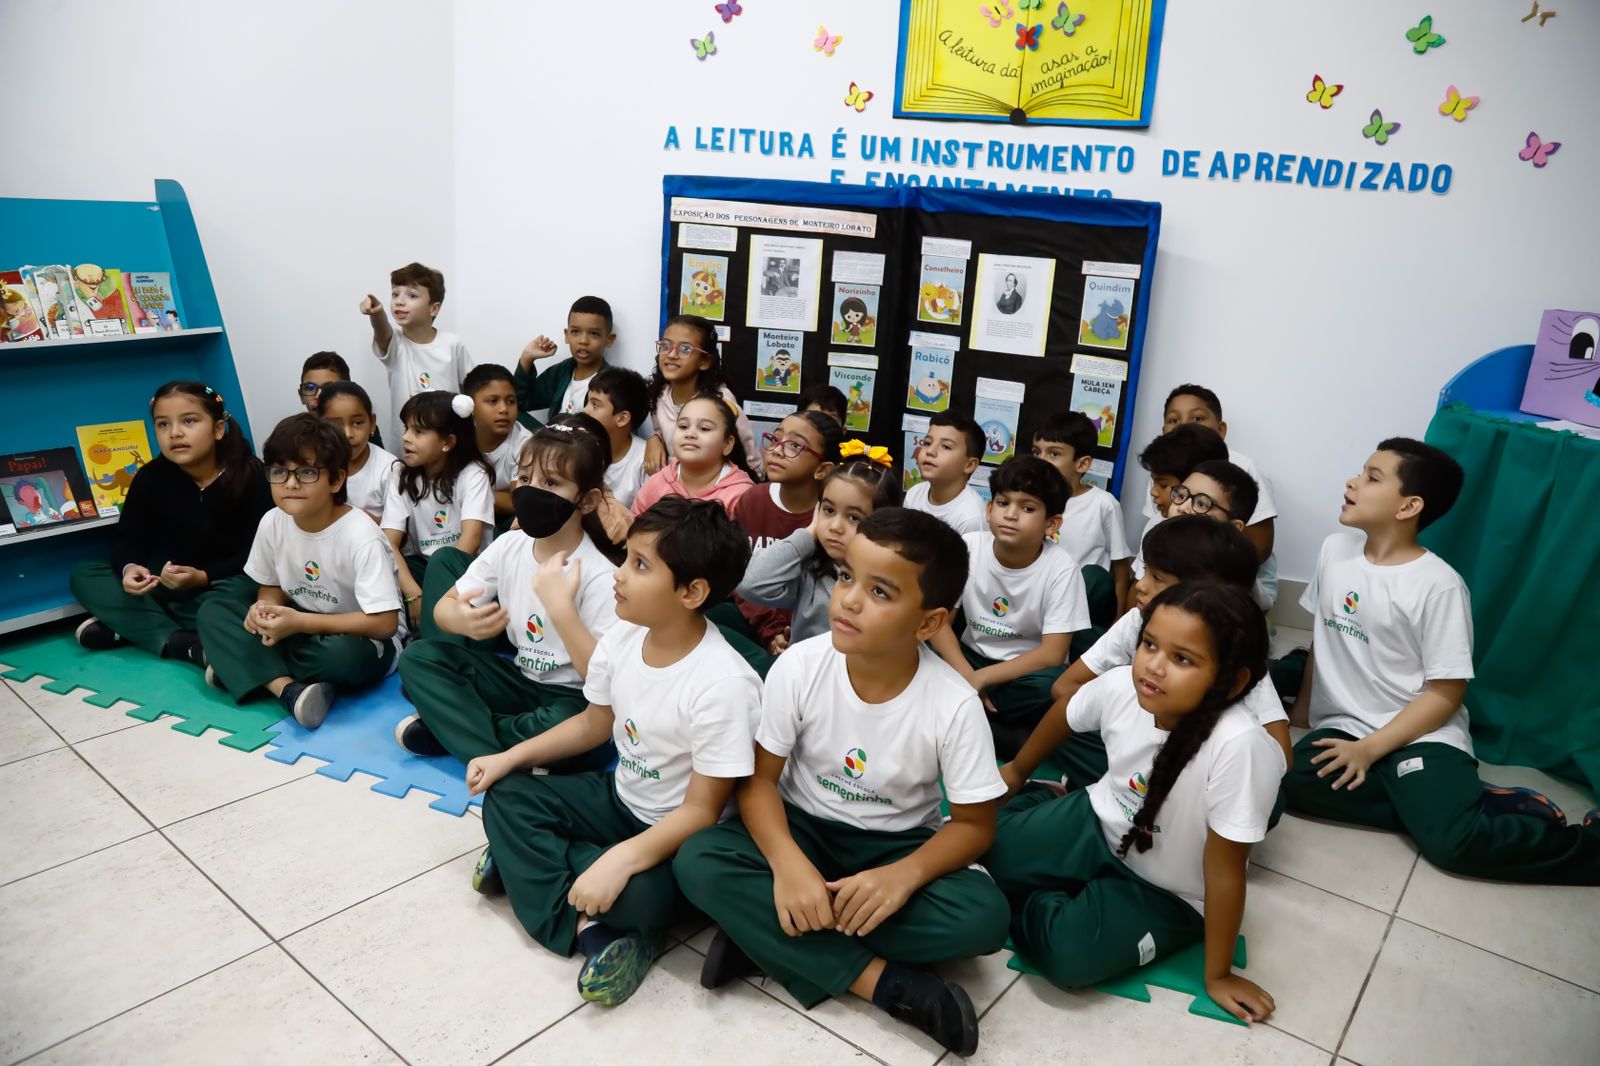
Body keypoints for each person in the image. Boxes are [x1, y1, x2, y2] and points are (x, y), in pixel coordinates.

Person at [674, 509, 1011, 1058]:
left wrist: (901, 877)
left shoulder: (954, 704)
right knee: (698, 858)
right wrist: (787, 863)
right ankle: (886, 985)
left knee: (984, 919)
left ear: (929, 623)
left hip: (895, 845)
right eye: (848, 576)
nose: (849, 599)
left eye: (881, 592)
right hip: (804, 828)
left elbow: (974, 826)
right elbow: (759, 784)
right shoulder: (801, 666)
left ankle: (765, 937)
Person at [467, 498, 761, 1006]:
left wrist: (623, 860)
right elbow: (593, 722)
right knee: (506, 796)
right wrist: (509, 758)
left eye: (640, 565)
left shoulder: (724, 684)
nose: (618, 576)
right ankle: (590, 928)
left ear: (692, 592)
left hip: (677, 834)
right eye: (625, 558)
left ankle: (539, 870)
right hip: (621, 797)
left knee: (638, 896)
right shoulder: (625, 634)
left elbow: (700, 811)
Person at [1284, 439, 1600, 883]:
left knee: (1454, 846)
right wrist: (1303, 711)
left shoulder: (1439, 586)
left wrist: (1371, 749)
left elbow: (1446, 692)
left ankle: (1587, 848)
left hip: (1421, 733)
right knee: (1288, 784)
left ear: (1408, 506)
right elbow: (1322, 637)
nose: (1353, 482)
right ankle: (1454, 805)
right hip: (1347, 725)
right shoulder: (1335, 550)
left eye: (1372, 477)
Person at [985, 582, 1283, 1024]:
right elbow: (1066, 712)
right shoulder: (1122, 686)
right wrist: (1017, 770)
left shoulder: (1240, 747)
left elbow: (1224, 870)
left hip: (1167, 892)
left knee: (1070, 960)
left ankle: (1046, 897)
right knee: (983, 851)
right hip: (1093, 821)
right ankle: (1045, 808)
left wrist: (1218, 976)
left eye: (1182, 659)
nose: (1154, 666)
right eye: (1149, 645)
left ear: (1232, 680)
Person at [394, 416, 623, 768]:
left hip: (574, 698)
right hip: (519, 681)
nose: (531, 490)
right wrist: (462, 620)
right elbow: (444, 608)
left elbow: (603, 681)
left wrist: (562, 610)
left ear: (587, 501)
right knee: (419, 658)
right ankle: (519, 755)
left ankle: (461, 734)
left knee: (581, 733)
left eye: (551, 482)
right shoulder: (510, 545)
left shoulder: (599, 574)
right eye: (526, 478)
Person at [1016, 516, 1289, 791]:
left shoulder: (1231, 649)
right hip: (1131, 746)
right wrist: (1126, 722)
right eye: (1145, 570)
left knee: (1263, 794)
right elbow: (1065, 687)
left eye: (1157, 578)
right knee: (1054, 703)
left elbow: (1280, 756)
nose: (1141, 585)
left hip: (1192, 764)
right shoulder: (1138, 618)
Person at [196, 415, 402, 728]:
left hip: (360, 639)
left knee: (342, 657)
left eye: (306, 472)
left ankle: (245, 667)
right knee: (215, 607)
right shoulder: (272, 521)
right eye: (279, 471)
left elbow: (385, 624)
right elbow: (271, 586)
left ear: (336, 480)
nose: (290, 484)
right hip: (301, 626)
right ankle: (287, 690)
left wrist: (299, 623)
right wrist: (265, 609)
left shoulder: (361, 535)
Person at [70, 381, 270, 666]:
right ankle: (185, 643)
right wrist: (131, 568)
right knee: (85, 575)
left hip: (229, 581)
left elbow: (258, 553)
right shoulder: (151, 477)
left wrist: (203, 576)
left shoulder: (251, 474)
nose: (175, 433)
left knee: (227, 605)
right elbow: (130, 537)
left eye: (189, 421)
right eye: (163, 425)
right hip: (174, 582)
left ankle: (136, 627)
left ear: (218, 429)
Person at [929, 456, 1089, 758]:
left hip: (1022, 676)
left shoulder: (1062, 569)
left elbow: (1052, 653)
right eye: (1003, 503)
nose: (1011, 515)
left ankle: (962, 719)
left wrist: (981, 681)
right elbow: (938, 624)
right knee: (919, 653)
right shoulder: (969, 547)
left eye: (1028, 508)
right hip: (970, 660)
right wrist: (967, 674)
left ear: (1052, 523)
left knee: (1053, 686)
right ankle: (998, 732)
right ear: (989, 509)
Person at [714, 413, 846, 666]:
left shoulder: (832, 518)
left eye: (795, 445)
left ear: (822, 469)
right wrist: (771, 630)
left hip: (810, 634)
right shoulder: (753, 499)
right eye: (775, 438)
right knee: (703, 617)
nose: (777, 449)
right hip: (758, 622)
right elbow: (740, 575)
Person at [1147, 385, 1281, 609]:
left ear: (1221, 430)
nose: (1185, 426)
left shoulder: (1243, 469)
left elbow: (1260, 546)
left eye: (1197, 418)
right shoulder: (1163, 474)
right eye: (1174, 420)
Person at [379, 391, 494, 636]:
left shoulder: (473, 474)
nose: (406, 438)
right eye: (406, 428)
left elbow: (470, 541)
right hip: (422, 567)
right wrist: (414, 595)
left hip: (462, 568)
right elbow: (389, 542)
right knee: (383, 563)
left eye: (418, 432)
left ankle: (434, 647)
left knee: (442, 559)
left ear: (448, 442)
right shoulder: (400, 473)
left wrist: (437, 593)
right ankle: (399, 637)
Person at [1031, 410, 1131, 618]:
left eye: (1054, 453)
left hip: (1083, 607)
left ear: (1082, 463)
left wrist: (1117, 619)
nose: (1041, 461)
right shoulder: (1029, 502)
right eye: (1036, 452)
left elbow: (1120, 568)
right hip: (1038, 600)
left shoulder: (1103, 504)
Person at [360, 262, 473, 443]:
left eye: (411, 295)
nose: (399, 301)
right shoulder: (396, 344)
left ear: (433, 308)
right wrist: (377, 313)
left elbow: (471, 387)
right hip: (408, 445)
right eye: (395, 294)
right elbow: (382, 332)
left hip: (447, 441)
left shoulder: (452, 344)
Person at [641, 315, 759, 475]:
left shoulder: (721, 402)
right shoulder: (659, 394)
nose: (671, 354)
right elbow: (661, 430)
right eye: (665, 345)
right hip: (675, 485)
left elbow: (750, 459)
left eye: (685, 349)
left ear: (704, 361)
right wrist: (655, 439)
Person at [1130, 424, 1229, 579]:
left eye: (1163, 485)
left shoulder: (1220, 547)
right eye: (1153, 482)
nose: (1153, 492)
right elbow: (1139, 585)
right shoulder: (1156, 524)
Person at [631, 395, 754, 518]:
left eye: (704, 428)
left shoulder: (742, 496)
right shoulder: (655, 484)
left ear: (727, 444)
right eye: (683, 426)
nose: (690, 434)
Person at [515, 295, 617, 432]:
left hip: (587, 449)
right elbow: (519, 403)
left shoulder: (612, 383)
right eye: (575, 332)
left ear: (609, 339)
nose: (583, 341)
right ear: (567, 335)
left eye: (594, 334)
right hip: (552, 446)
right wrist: (527, 358)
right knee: (509, 413)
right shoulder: (561, 372)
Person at [462, 363, 533, 533]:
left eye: (511, 401)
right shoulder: (457, 436)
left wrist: (472, 492)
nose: (504, 409)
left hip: (505, 521)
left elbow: (518, 502)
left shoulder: (525, 443)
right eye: (493, 401)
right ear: (470, 406)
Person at [315, 381, 396, 521]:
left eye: (357, 423)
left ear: (372, 423)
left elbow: (396, 534)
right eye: (335, 425)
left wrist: (357, 519)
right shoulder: (313, 465)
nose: (347, 434)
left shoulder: (390, 469)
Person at [903, 410, 987, 535]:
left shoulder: (972, 517)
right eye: (927, 443)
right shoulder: (913, 495)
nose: (930, 451)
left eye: (946, 446)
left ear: (969, 465)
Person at [582, 365, 652, 509]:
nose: (585, 410)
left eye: (595, 405)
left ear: (622, 418)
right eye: (588, 402)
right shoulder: (580, 447)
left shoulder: (645, 459)